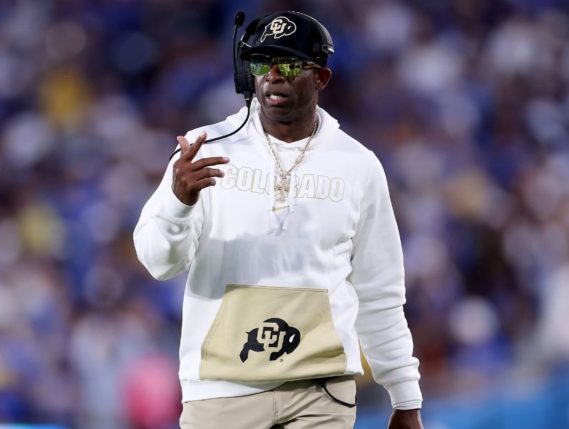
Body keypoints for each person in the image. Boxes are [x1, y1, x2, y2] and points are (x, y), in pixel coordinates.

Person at [133, 10, 424, 429]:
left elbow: (379, 293)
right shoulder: (202, 150)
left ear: (321, 78)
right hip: (222, 390)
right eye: (260, 64)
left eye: (287, 65)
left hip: (320, 392)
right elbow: (159, 263)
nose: (272, 76)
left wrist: (405, 395)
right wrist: (179, 203)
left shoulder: (358, 166)